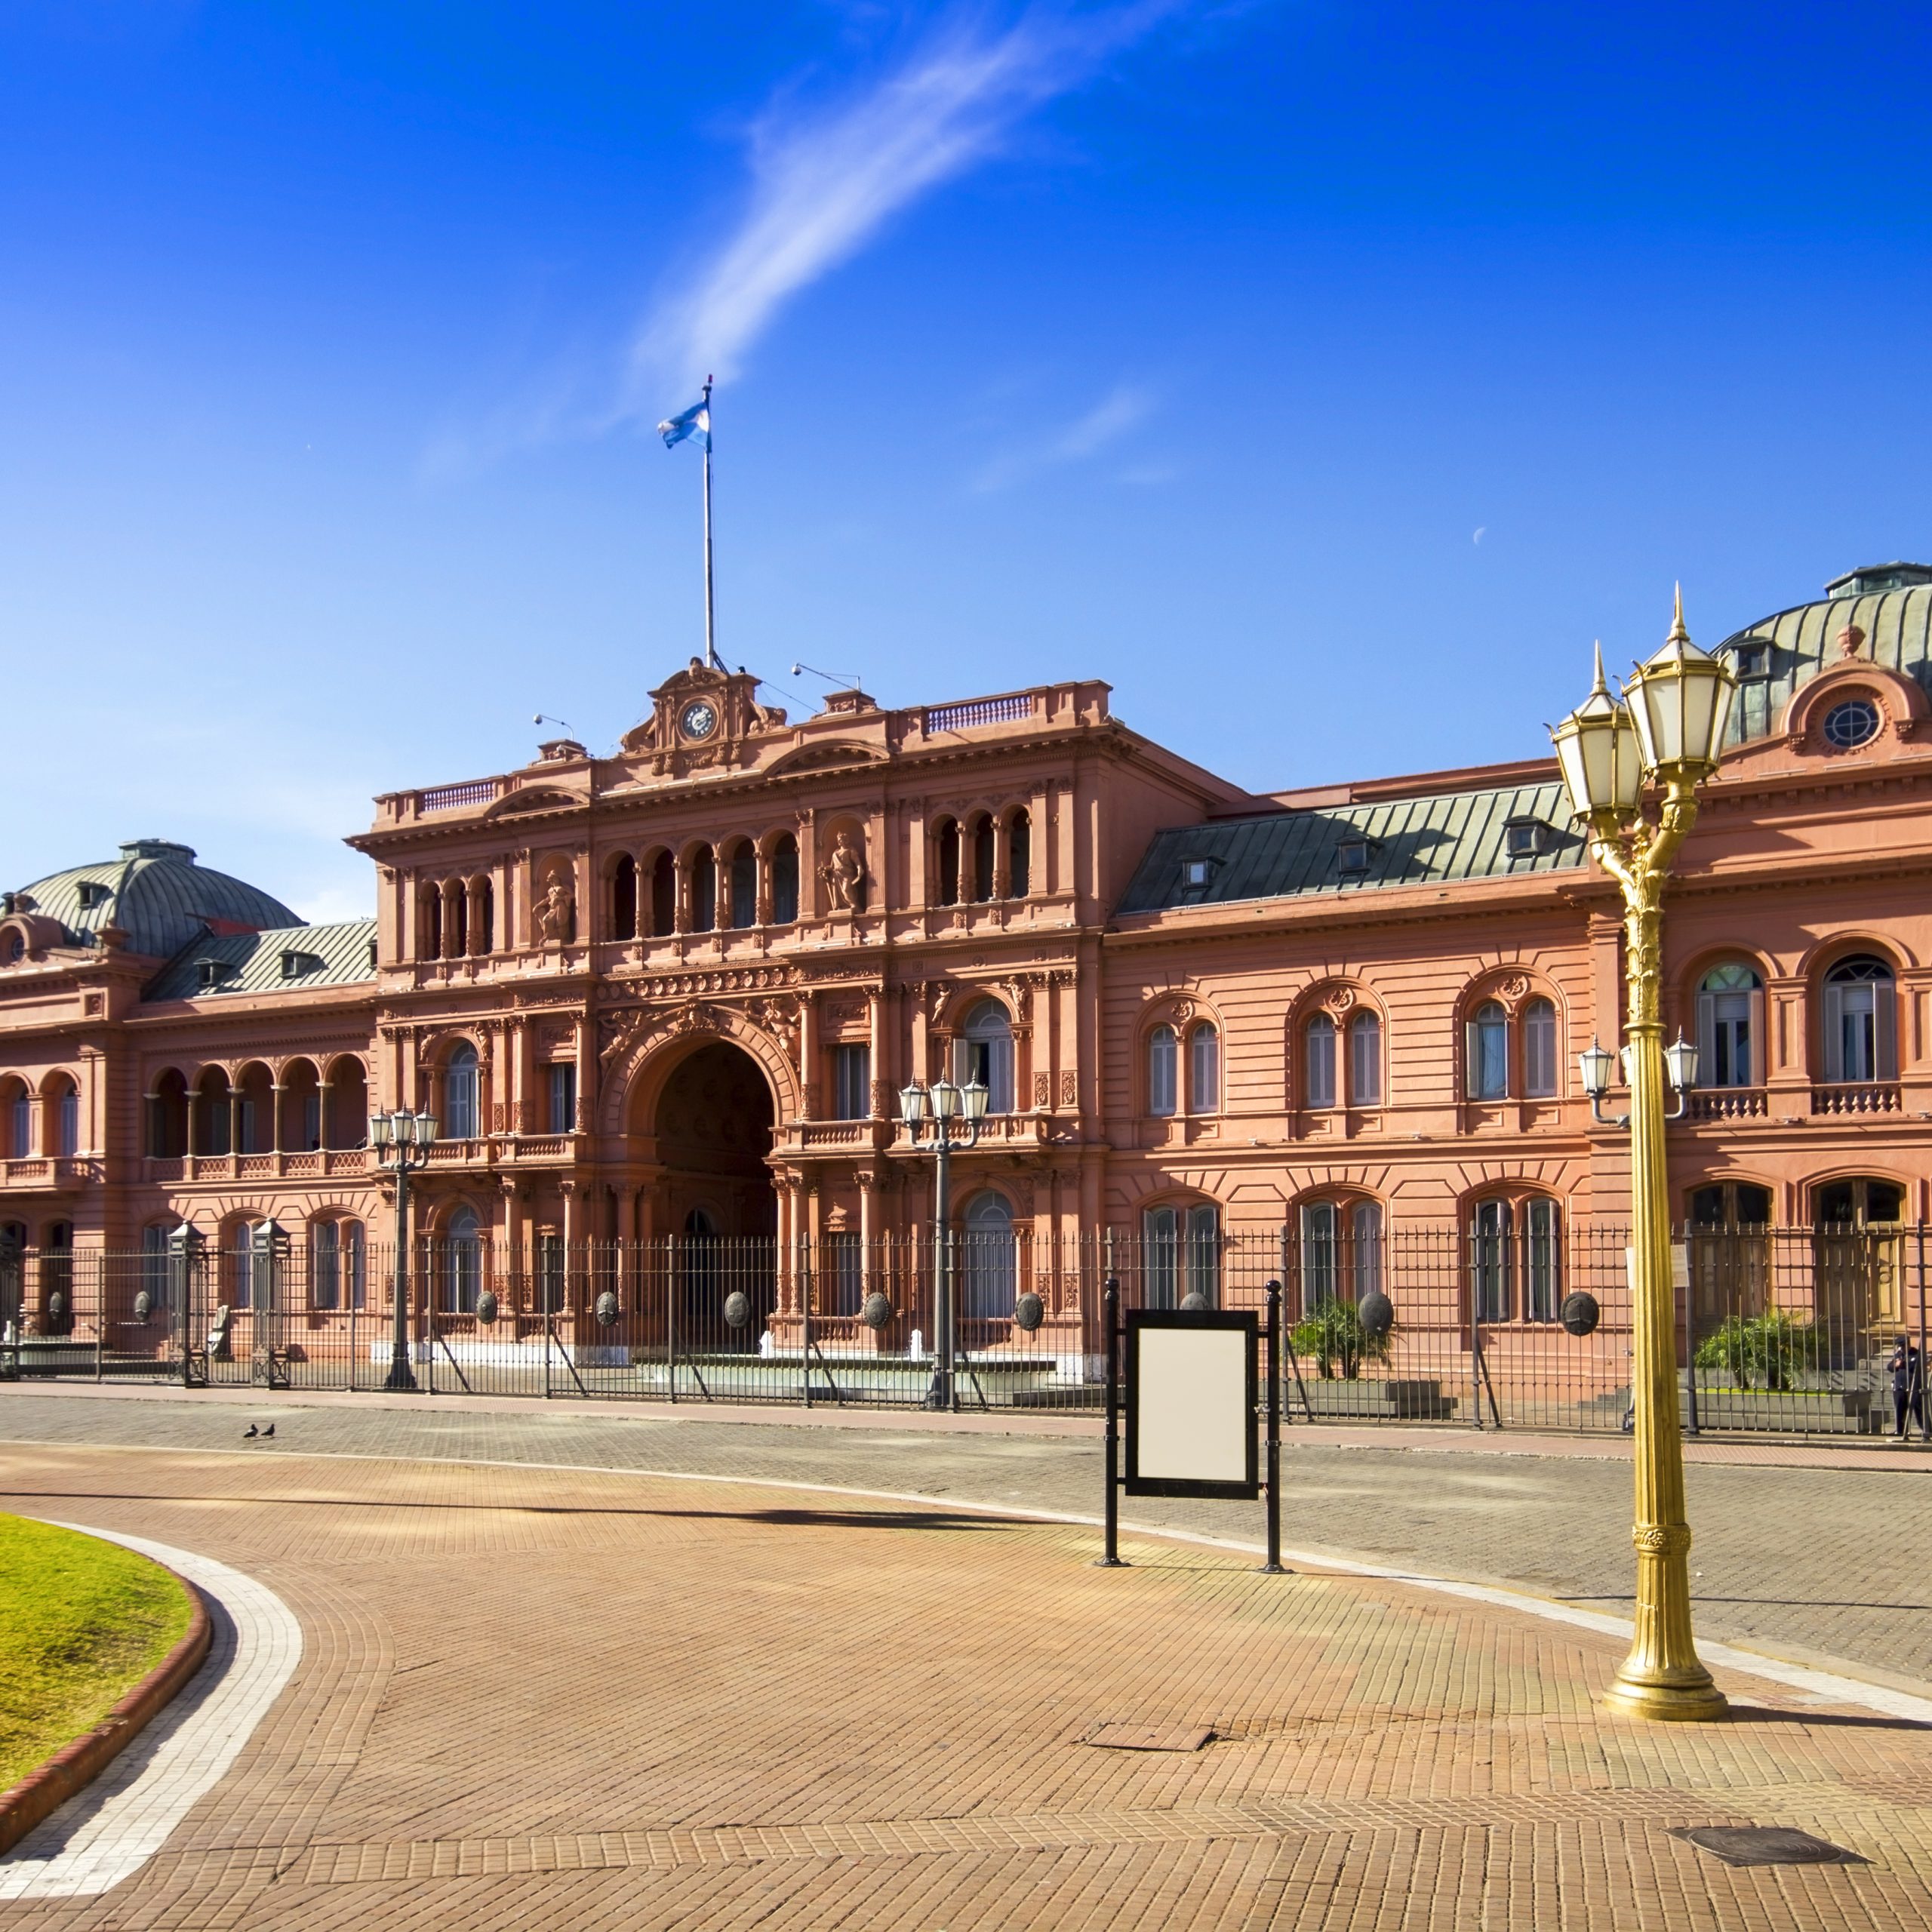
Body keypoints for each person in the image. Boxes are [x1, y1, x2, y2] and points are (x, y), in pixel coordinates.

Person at [1886, 1335, 1924, 1438]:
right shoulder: (1898, 1355)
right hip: (1899, 1387)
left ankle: (1927, 1430)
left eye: (1903, 1346)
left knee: (1920, 1410)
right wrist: (1895, 1365)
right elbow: (1889, 1367)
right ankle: (1901, 1432)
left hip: (1913, 1387)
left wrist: (1902, 1364)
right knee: (1900, 1410)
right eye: (1900, 1346)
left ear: (1908, 1345)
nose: (1901, 1348)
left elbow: (1915, 1365)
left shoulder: (1916, 1354)